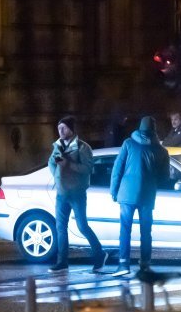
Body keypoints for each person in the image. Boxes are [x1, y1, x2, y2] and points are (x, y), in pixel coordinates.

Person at [109, 116, 170, 276]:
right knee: (146, 232)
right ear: (154, 130)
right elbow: (165, 178)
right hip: (147, 196)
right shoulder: (162, 151)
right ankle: (145, 265)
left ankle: (123, 265)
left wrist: (114, 190)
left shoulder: (128, 144)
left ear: (139, 128)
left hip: (127, 194)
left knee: (125, 229)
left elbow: (117, 169)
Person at [48, 115, 109, 274]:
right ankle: (62, 262)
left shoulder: (83, 148)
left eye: (64, 128)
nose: (60, 131)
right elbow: (51, 163)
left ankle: (99, 254)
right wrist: (57, 175)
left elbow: (87, 169)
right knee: (60, 227)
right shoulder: (58, 146)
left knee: (82, 226)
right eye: (58, 128)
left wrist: (68, 164)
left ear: (72, 129)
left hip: (77, 193)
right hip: (61, 193)